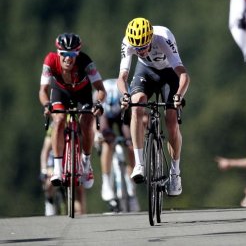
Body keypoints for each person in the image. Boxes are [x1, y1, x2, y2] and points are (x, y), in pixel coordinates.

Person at [117, 17, 190, 196]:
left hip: (169, 74)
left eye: (144, 47)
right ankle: (139, 163)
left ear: (150, 39)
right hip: (146, 72)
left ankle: (175, 173)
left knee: (171, 121)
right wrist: (125, 95)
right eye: (137, 48)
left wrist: (179, 96)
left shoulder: (163, 37)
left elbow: (183, 75)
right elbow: (122, 77)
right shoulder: (128, 42)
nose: (140, 51)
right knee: (137, 105)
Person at [39, 33, 106, 190]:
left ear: (78, 54)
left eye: (72, 54)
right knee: (59, 119)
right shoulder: (50, 61)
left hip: (82, 93)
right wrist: (46, 104)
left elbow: (100, 89)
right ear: (58, 53)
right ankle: (57, 168)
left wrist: (98, 103)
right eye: (64, 54)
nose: (68, 58)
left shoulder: (86, 62)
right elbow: (43, 90)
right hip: (60, 92)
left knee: (87, 120)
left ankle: (86, 163)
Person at [94, 78, 139, 211]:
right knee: (107, 142)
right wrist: (97, 135)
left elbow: (135, 117)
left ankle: (131, 184)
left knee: (131, 144)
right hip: (104, 115)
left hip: (123, 115)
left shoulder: (126, 95)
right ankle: (106, 182)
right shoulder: (98, 97)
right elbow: (94, 121)